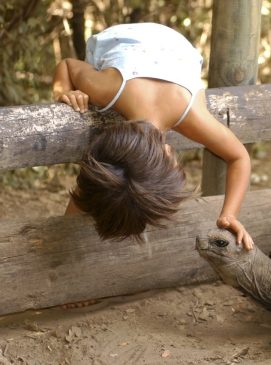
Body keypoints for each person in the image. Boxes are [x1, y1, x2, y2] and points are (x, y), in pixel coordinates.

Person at [53, 23, 254, 254]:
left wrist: (229, 214)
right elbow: (67, 66)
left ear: (168, 151)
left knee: (116, 180)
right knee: (113, 179)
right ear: (167, 150)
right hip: (132, 46)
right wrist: (63, 92)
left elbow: (239, 157)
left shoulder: (190, 113)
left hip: (159, 44)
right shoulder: (106, 89)